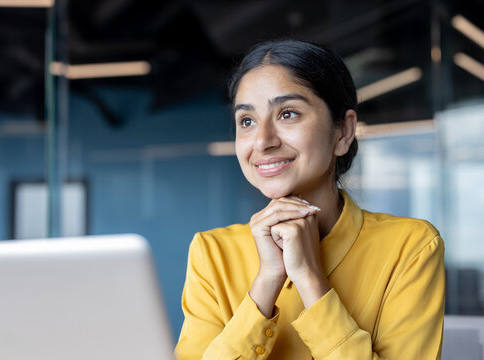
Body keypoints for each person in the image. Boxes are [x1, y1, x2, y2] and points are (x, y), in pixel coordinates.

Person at [175, 39, 445, 360]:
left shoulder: (411, 246)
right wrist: (266, 282)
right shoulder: (212, 252)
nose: (262, 141)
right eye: (246, 121)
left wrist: (308, 277)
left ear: (343, 132)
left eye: (288, 114)